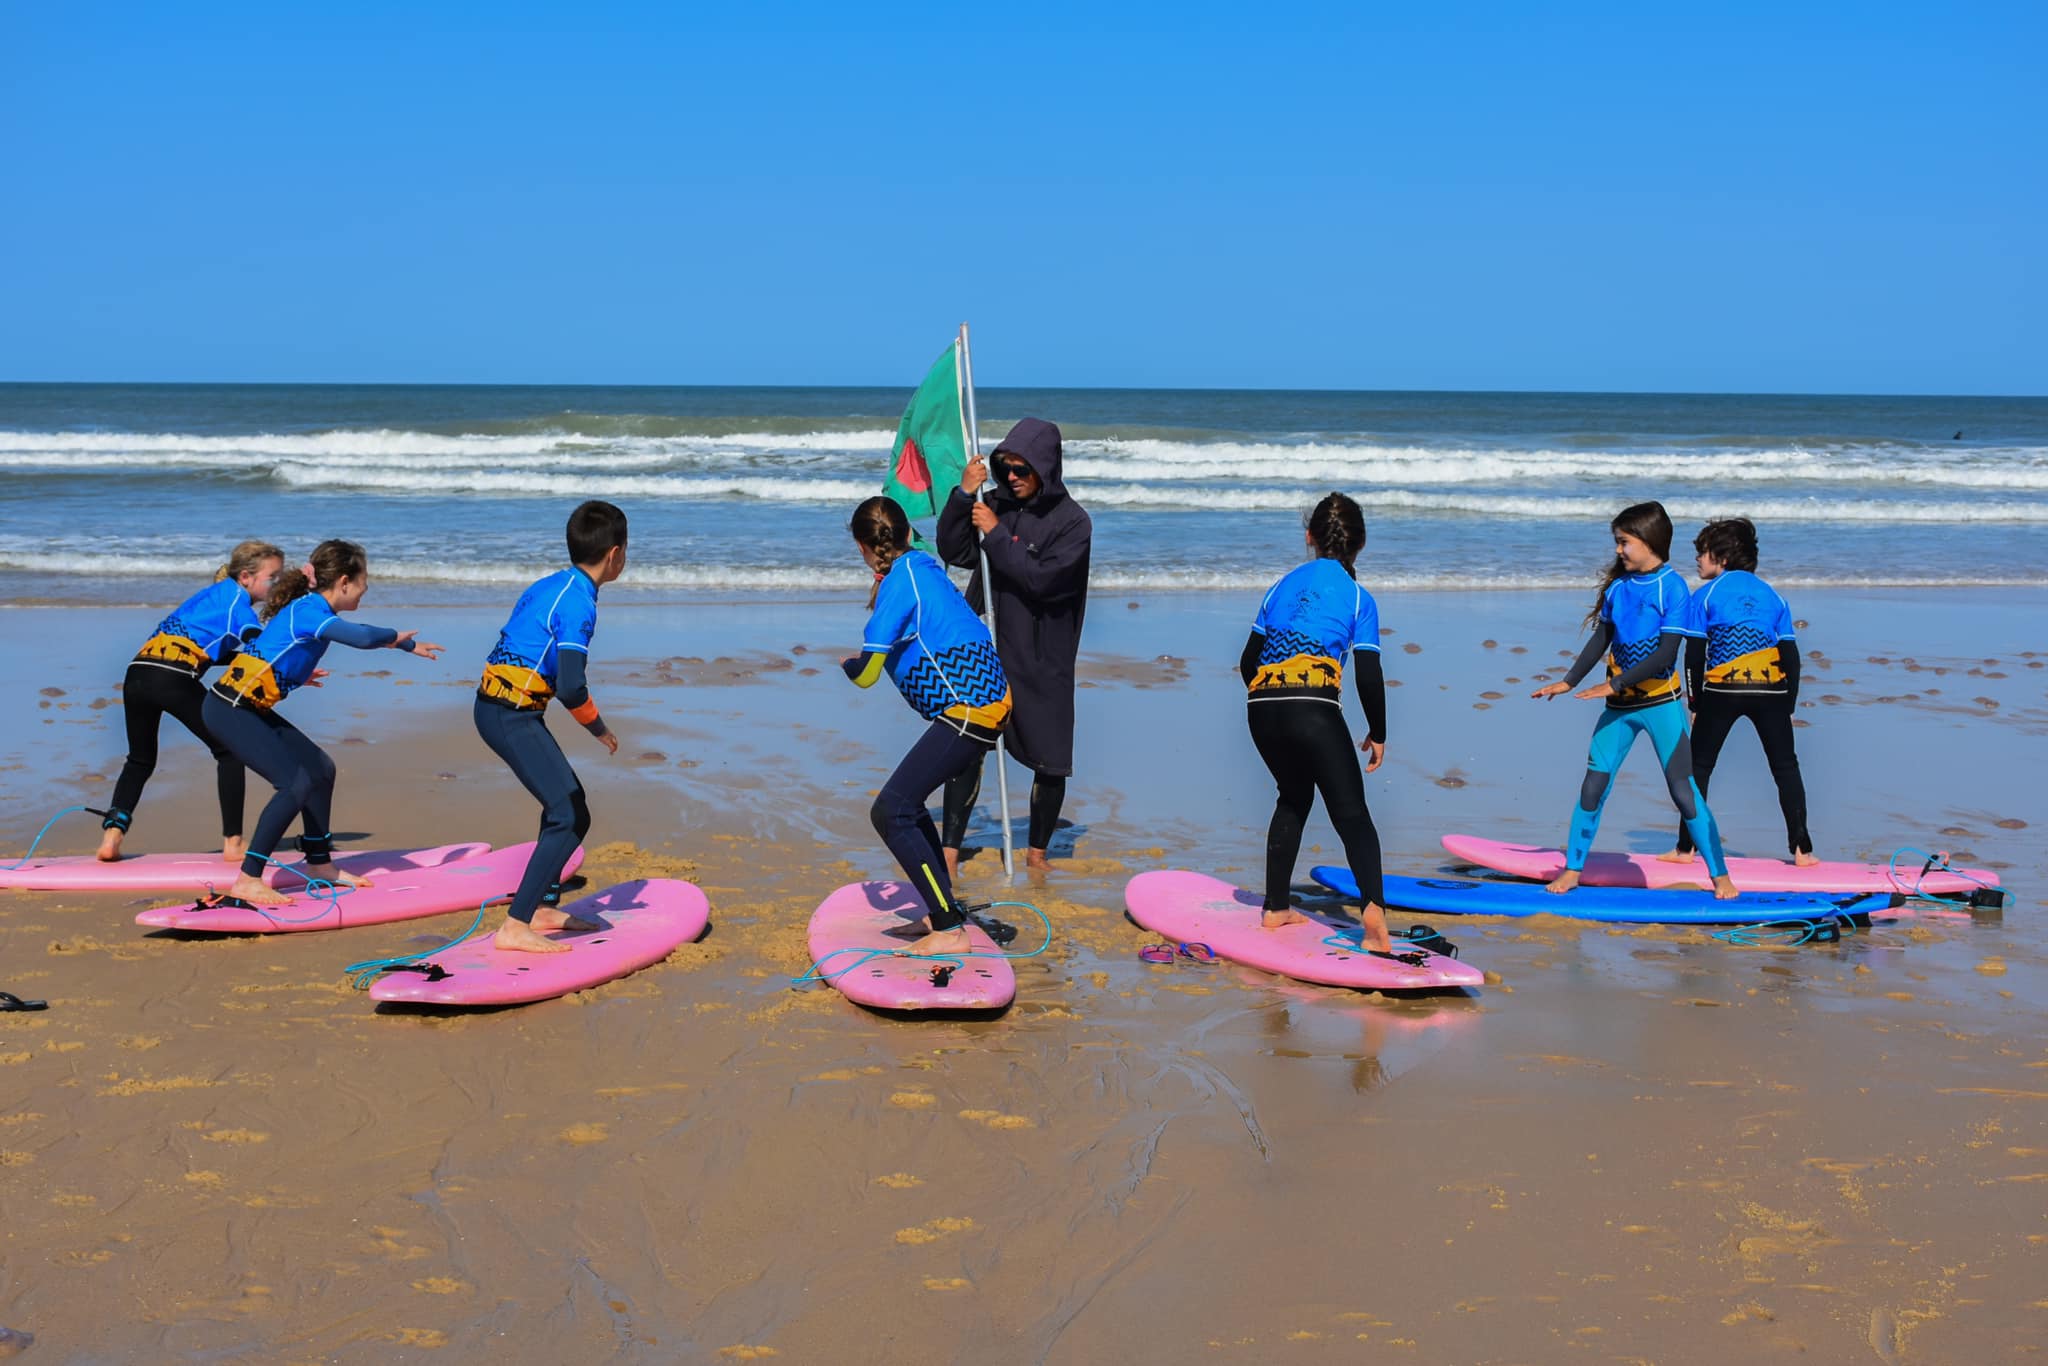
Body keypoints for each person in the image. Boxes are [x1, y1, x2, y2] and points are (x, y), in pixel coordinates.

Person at [200, 540, 442, 907]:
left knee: (319, 769)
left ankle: (319, 863)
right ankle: (249, 878)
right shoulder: (310, 610)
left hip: (246, 705)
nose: (366, 588)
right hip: (229, 707)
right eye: (363, 581)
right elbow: (361, 637)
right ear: (344, 582)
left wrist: (296, 673)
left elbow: (277, 650)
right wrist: (397, 639)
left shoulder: (311, 609)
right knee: (294, 784)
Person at [1531, 502, 1737, 898]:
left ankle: (1721, 877)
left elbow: (1666, 654)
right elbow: (1602, 638)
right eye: (1617, 542)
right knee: (1592, 788)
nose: (1618, 550)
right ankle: (1572, 870)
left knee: (1683, 791)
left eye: (1624, 542)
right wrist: (1569, 681)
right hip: (1619, 708)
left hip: (1660, 704)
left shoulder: (1672, 587)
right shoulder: (1619, 588)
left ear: (1649, 540)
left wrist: (1616, 683)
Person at [841, 496, 1012, 955]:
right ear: (905, 534)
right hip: (987, 702)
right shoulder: (922, 565)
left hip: (971, 710)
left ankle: (949, 928)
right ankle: (942, 911)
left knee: (890, 810)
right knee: (909, 806)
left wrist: (848, 664)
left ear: (861, 546)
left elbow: (867, 675)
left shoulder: (901, 583)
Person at [934, 417, 1091, 876]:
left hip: (1043, 653)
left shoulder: (1074, 523)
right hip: (988, 646)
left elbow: (1042, 580)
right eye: (1006, 467)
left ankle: (1037, 854)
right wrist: (964, 495)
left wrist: (997, 533)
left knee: (1051, 759)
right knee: (968, 745)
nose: (1013, 476)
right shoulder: (994, 503)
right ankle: (949, 851)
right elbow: (955, 551)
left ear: (1047, 467)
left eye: (1023, 469)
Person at [1241, 493, 1394, 952]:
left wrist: (1274, 699)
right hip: (1312, 708)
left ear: (1309, 537)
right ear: (1360, 543)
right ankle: (1374, 917)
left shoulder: (1279, 586)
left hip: (1260, 707)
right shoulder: (1357, 597)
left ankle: (1275, 907)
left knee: (1293, 797)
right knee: (1352, 814)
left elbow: (1248, 661)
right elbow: (1369, 674)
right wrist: (1379, 732)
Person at [474, 501, 629, 953]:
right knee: (568, 813)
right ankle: (515, 925)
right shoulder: (578, 604)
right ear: (615, 555)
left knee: (566, 807)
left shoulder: (551, 584)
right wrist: (599, 729)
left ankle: (542, 907)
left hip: (500, 707)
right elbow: (571, 687)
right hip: (509, 714)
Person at [98, 540, 284, 863]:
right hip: (172, 677)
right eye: (273, 577)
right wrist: (290, 667)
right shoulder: (237, 604)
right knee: (229, 750)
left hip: (137, 673)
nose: (277, 584)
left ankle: (111, 837)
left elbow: (212, 651)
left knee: (140, 760)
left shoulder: (208, 598)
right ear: (245, 577)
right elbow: (261, 644)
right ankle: (233, 843)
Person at [1661, 517, 1813, 865]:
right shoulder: (1774, 596)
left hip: (1723, 689)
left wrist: (1695, 703)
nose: (1698, 559)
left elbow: (1694, 655)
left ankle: (1686, 848)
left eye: (1702, 552)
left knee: (1699, 767)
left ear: (1722, 557)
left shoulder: (1705, 596)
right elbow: (1791, 656)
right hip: (1772, 690)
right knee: (1785, 767)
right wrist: (1788, 705)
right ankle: (1803, 850)